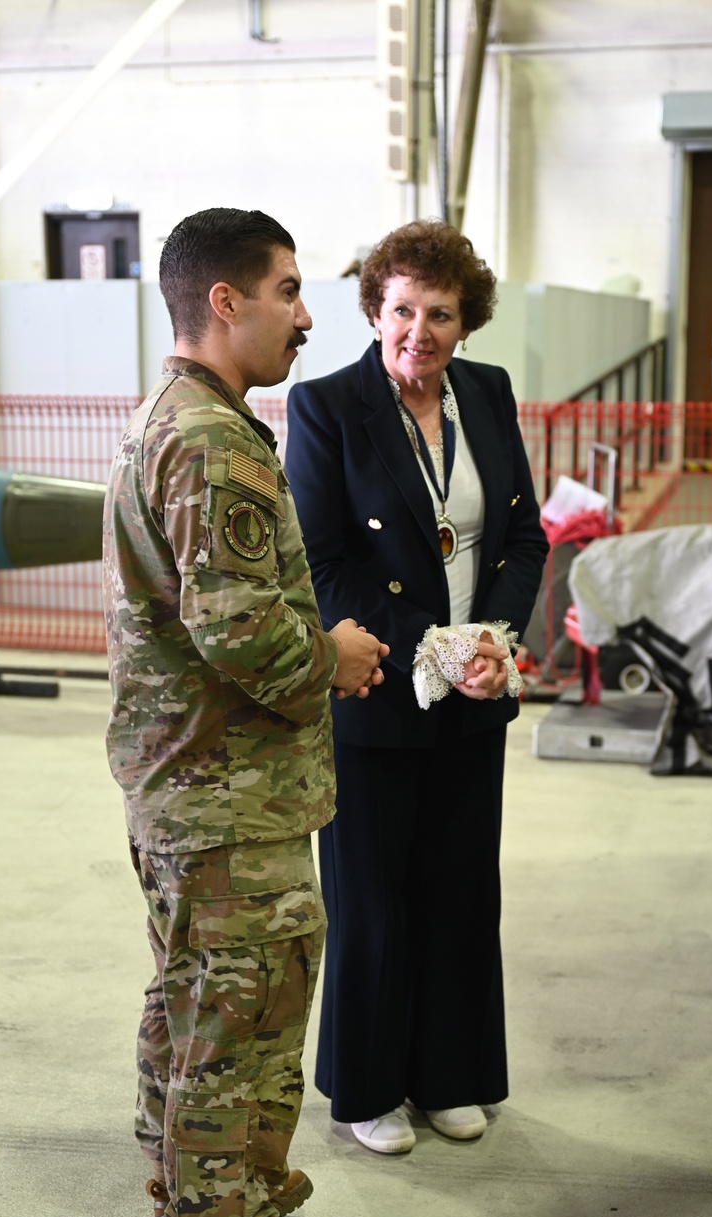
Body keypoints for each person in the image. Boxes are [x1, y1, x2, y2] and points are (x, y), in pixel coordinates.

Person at [102, 207, 387, 1217]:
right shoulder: (212, 442)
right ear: (223, 301)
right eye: (286, 287)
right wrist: (342, 654)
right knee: (241, 1027)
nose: (306, 313)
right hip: (227, 795)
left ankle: (200, 1199)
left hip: (190, 788)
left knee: (190, 1002)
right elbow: (246, 639)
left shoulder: (177, 418)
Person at [285, 219, 548, 1156]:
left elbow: (523, 537)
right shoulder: (324, 409)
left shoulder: (487, 392)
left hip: (479, 688)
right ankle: (369, 1090)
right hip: (378, 691)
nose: (420, 330)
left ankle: (449, 1077)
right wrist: (432, 651)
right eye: (403, 308)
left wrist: (494, 645)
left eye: (441, 312)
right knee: (373, 899)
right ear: (375, 309)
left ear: (466, 321)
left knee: (462, 889)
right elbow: (321, 564)